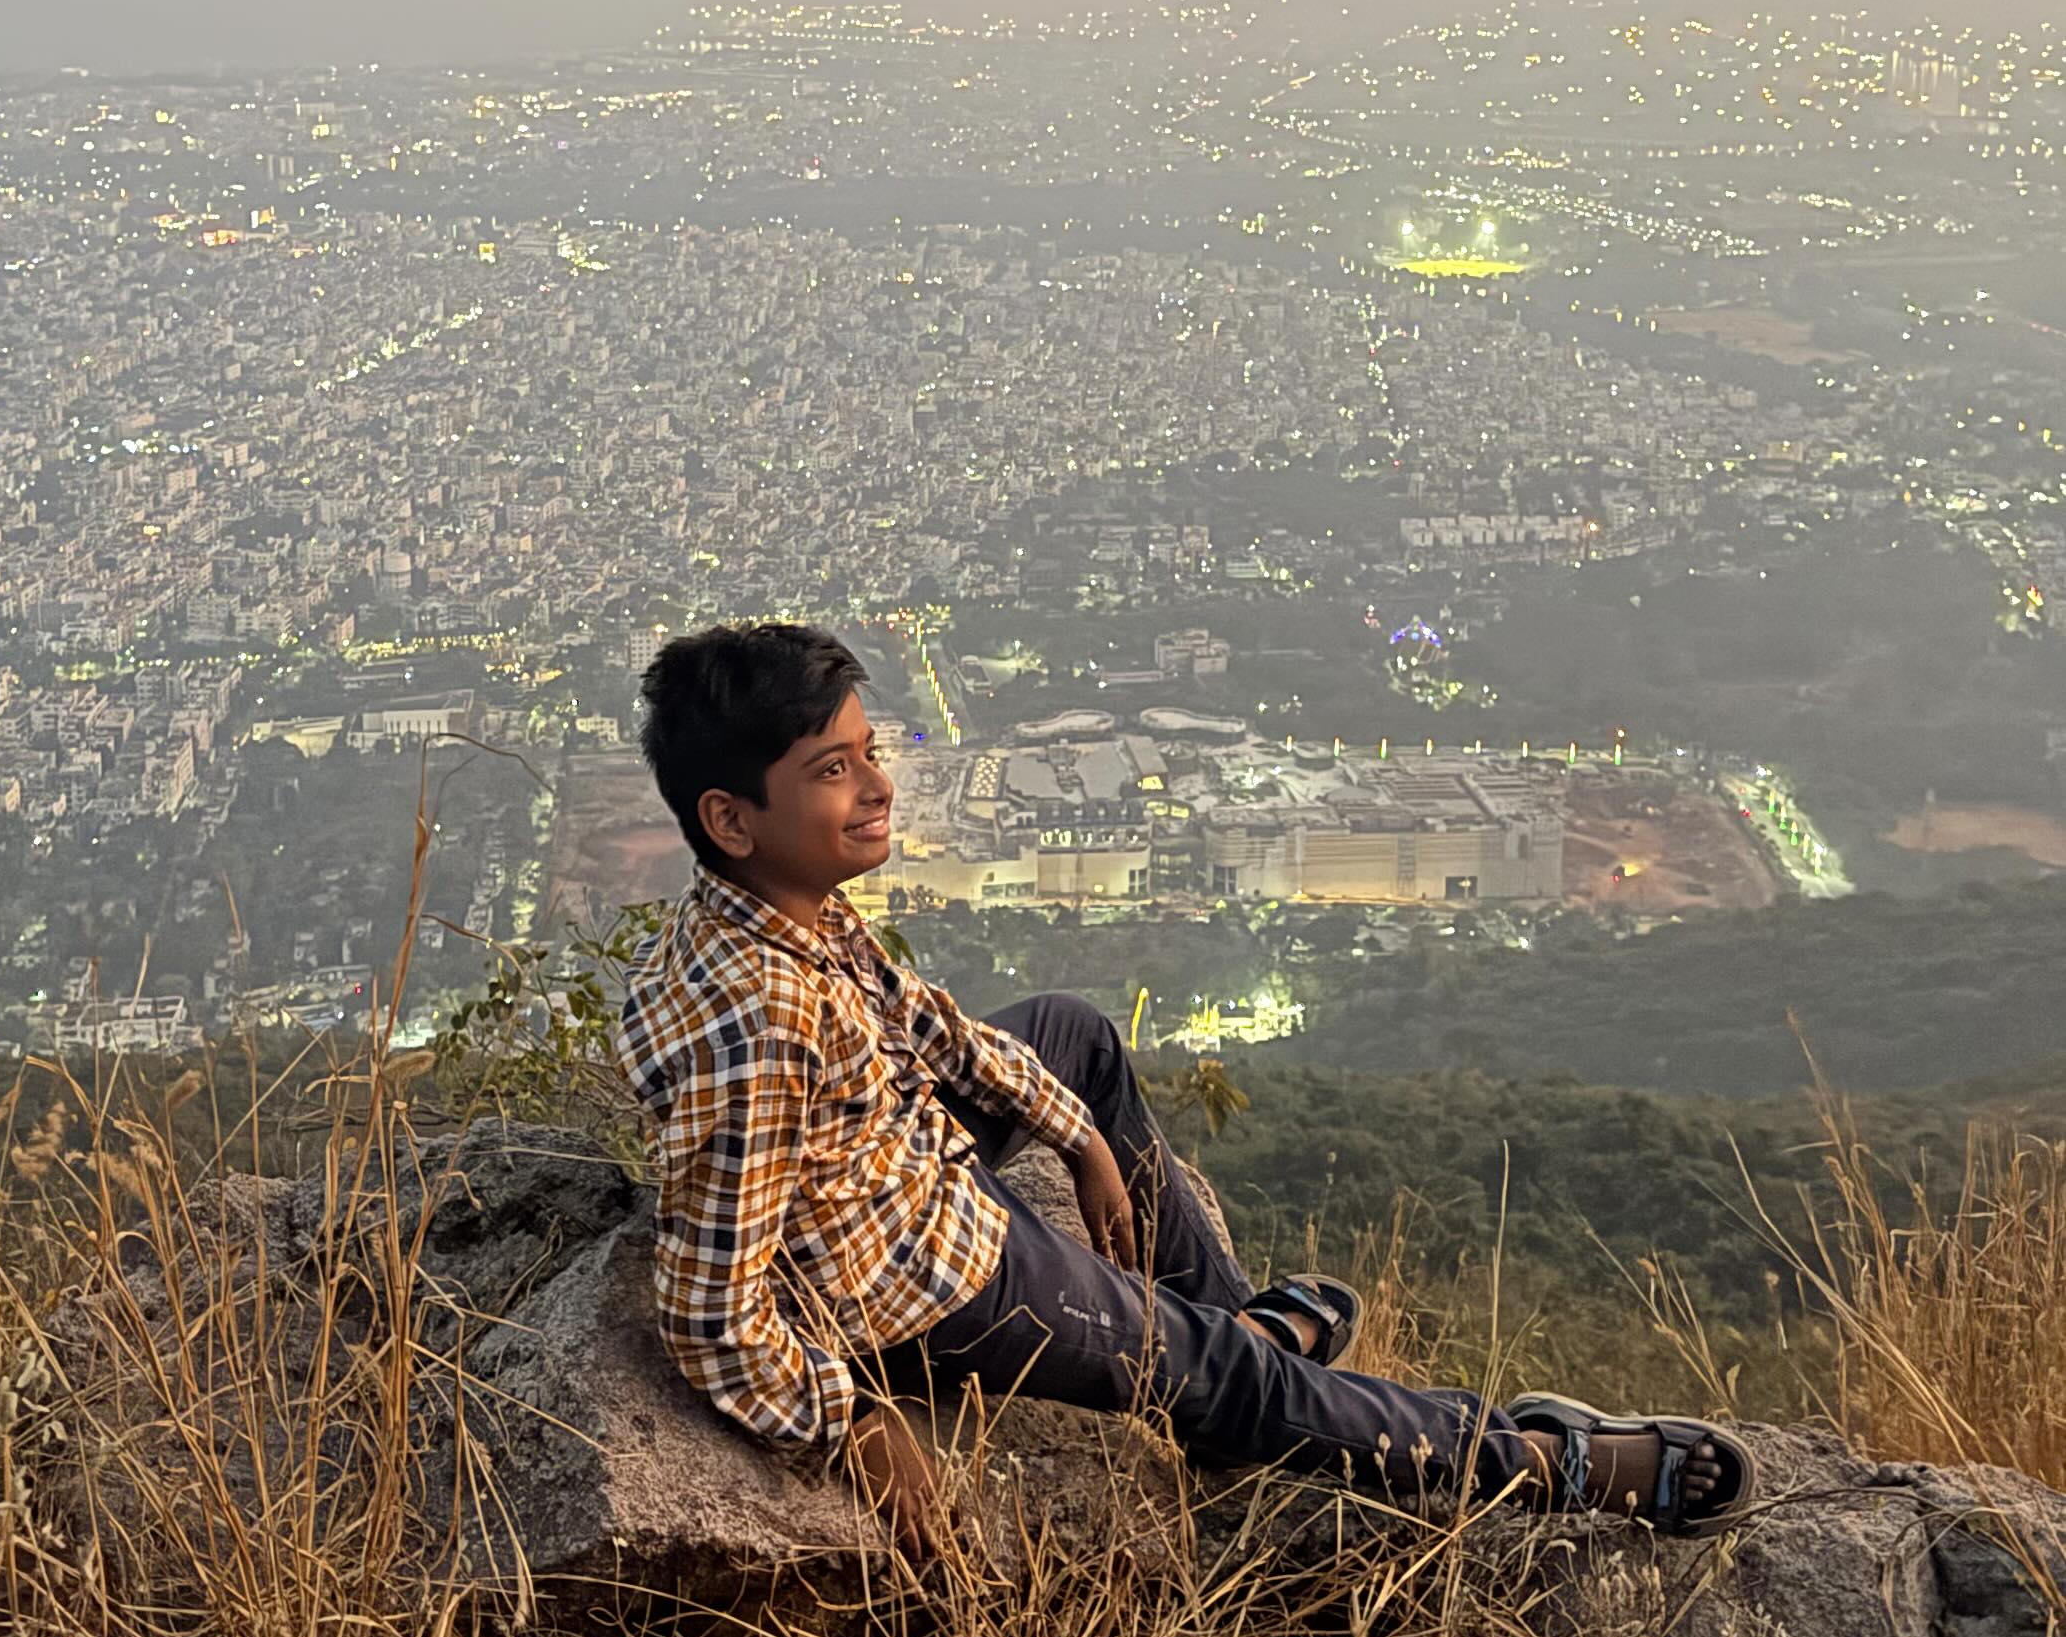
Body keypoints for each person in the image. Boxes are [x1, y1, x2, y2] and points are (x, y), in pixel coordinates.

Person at [616, 621, 1751, 1565]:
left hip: (888, 1167)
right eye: (832, 771)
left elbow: (932, 1031)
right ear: (731, 819)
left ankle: (1223, 1329)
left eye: (868, 753)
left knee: (1073, 1036)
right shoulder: (759, 1021)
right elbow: (708, 1314)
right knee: (1229, 1377)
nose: (877, 787)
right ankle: (1544, 1460)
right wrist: (854, 1423)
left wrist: (1079, 1138)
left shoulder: (770, 912)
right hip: (923, 1275)